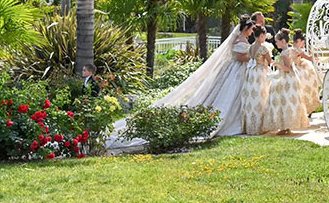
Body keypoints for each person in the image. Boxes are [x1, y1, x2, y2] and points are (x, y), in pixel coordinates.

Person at [105, 15, 254, 150]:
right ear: (245, 28)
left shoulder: (243, 39)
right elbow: (239, 56)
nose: (252, 32)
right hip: (235, 71)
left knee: (237, 97)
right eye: (251, 29)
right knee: (231, 95)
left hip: (240, 71)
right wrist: (254, 58)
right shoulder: (239, 39)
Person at [263, 29, 309, 135]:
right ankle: (285, 126)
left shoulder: (284, 53)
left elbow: (288, 69)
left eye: (277, 41)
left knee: (284, 101)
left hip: (287, 79)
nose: (276, 43)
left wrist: (277, 64)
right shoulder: (289, 50)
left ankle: (285, 126)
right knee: (287, 101)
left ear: (283, 41)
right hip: (289, 79)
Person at [241, 26, 273, 135]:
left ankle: (250, 126)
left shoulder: (250, 47)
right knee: (262, 96)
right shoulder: (263, 48)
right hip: (261, 73)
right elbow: (270, 61)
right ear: (262, 35)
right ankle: (260, 125)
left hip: (251, 73)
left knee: (251, 98)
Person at [292, 30, 320, 116]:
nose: (303, 45)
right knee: (308, 84)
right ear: (299, 41)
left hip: (295, 67)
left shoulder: (291, 47)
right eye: (302, 42)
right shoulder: (298, 50)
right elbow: (309, 58)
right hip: (298, 69)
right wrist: (317, 56)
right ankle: (308, 107)